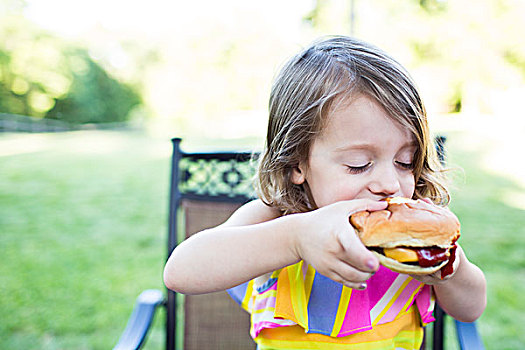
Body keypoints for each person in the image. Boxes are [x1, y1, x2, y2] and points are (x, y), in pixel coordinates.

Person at [163, 36, 486, 349]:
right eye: (359, 164)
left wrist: (448, 270)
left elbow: (471, 308)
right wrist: (294, 238)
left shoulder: (411, 236)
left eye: (405, 161)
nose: (390, 183)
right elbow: (181, 271)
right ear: (297, 164)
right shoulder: (275, 218)